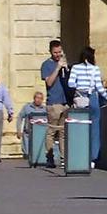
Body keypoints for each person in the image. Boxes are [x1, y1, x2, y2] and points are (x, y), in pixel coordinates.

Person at [68, 46, 106, 165]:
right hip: (93, 97)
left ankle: (80, 155)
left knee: (80, 127)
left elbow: (70, 83)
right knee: (95, 129)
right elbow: (99, 87)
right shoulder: (95, 69)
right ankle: (93, 157)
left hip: (81, 98)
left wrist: (81, 88)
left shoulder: (75, 68)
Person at [41, 40, 72, 170]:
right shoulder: (47, 65)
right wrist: (58, 68)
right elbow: (49, 82)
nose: (58, 55)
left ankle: (64, 159)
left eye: (60, 52)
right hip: (53, 103)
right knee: (52, 131)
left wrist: (66, 69)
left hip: (65, 102)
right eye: (55, 52)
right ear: (51, 52)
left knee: (64, 132)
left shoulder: (64, 63)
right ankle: (50, 157)